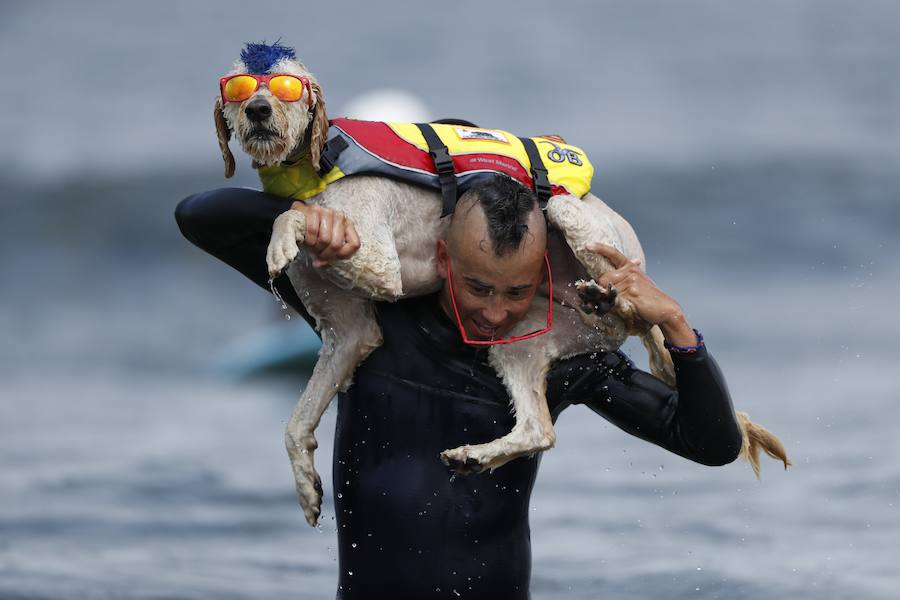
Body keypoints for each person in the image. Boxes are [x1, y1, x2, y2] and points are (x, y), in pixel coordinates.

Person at [175, 175, 742, 600]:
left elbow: (710, 443)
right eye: (477, 288)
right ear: (442, 257)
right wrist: (310, 215)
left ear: (544, 275)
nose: (495, 313)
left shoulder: (557, 355)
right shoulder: (367, 318)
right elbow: (200, 216)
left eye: (516, 292)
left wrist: (677, 329)